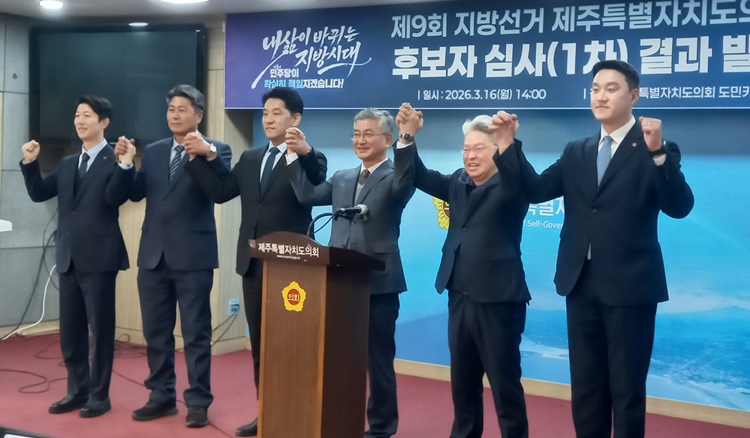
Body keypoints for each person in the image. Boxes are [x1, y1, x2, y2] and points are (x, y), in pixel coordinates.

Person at [512, 60, 694, 437]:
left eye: (611, 89)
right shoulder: (577, 150)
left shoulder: (655, 147)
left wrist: (658, 154)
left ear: (634, 96)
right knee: (586, 388)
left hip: (631, 286)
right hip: (580, 282)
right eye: (595, 89)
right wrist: (507, 146)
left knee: (627, 391)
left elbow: (680, 206)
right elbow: (535, 190)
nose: (600, 96)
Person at [184, 87, 327, 437]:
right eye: (265, 113)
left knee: (293, 344)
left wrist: (305, 152)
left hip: (293, 269)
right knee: (262, 345)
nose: (268, 119)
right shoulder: (250, 158)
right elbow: (221, 191)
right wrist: (199, 157)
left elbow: (318, 182)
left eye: (277, 113)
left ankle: (298, 415)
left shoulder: (310, 157)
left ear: (295, 118)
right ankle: (267, 413)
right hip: (253, 264)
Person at [393, 105, 531, 438]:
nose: (470, 156)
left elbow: (517, 173)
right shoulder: (458, 180)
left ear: (497, 151)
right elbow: (418, 175)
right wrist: (407, 136)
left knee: (504, 386)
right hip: (459, 293)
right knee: (463, 382)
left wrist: (508, 142)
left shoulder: (512, 186)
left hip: (499, 299)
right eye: (466, 149)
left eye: (479, 149)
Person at [286, 107, 416, 438]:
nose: (360, 140)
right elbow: (307, 195)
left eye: (368, 134)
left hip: (379, 284)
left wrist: (407, 141)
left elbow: (403, 188)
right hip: (338, 283)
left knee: (378, 360)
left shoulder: (397, 175)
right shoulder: (343, 177)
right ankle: (339, 418)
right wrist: (293, 157)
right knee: (338, 358)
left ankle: (382, 427)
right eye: (356, 134)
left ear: (387, 139)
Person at [111, 84, 232, 428]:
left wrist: (204, 154)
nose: (175, 115)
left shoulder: (217, 150)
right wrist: (125, 164)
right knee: (156, 333)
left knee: (196, 334)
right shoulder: (154, 151)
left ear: (199, 114)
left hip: (193, 258)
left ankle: (198, 401)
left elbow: (221, 190)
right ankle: (161, 396)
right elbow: (137, 193)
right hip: (153, 257)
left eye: (182, 109)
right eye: (171, 109)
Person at [19, 95, 129, 418]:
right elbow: (40, 192)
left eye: (87, 115)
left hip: (100, 258)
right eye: (77, 115)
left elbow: (116, 197)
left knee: (100, 332)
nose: (80, 121)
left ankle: (99, 396)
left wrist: (125, 166)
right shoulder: (68, 164)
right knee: (71, 333)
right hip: (68, 258)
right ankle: (76, 391)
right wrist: (30, 163)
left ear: (104, 122)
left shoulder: (116, 159)